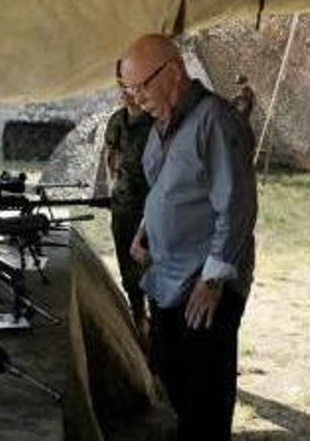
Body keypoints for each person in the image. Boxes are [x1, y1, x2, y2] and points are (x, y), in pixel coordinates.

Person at [122, 34, 257, 440]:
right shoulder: (163, 123)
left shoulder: (215, 120)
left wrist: (213, 280)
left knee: (204, 401)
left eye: (141, 85)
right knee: (171, 384)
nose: (135, 97)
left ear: (175, 73)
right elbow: (165, 188)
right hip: (169, 279)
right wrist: (145, 230)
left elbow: (236, 205)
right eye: (129, 89)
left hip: (204, 286)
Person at [104, 61, 154, 337]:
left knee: (151, 268)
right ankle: (139, 319)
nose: (124, 92)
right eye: (120, 85)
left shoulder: (156, 123)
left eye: (129, 86)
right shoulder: (116, 122)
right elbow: (111, 160)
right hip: (123, 208)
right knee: (128, 271)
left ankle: (157, 325)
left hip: (151, 210)